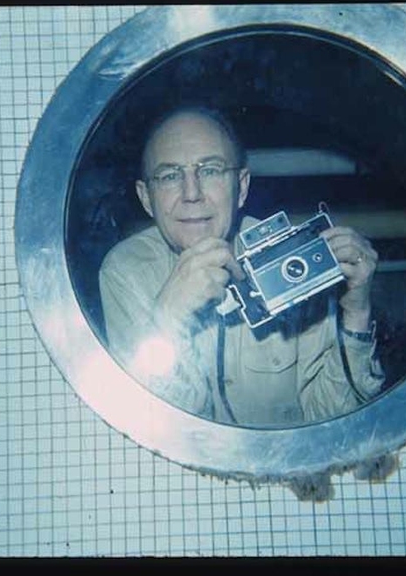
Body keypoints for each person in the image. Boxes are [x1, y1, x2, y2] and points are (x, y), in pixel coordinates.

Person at [98, 107, 384, 427]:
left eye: (210, 170)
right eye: (169, 176)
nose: (191, 193)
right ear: (146, 198)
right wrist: (166, 321)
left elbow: (334, 421)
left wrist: (356, 314)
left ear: (242, 186)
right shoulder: (127, 272)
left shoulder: (292, 263)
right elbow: (148, 428)